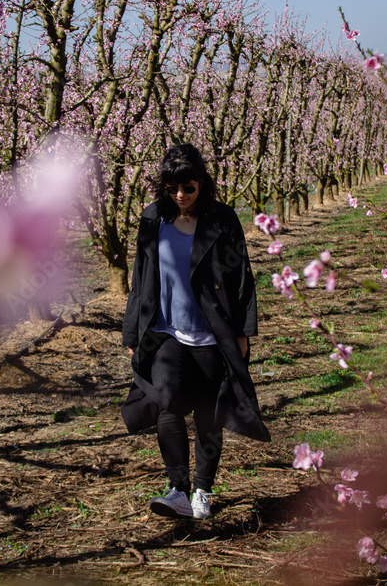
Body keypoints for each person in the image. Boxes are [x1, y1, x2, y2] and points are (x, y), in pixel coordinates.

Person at [121, 143, 270, 520]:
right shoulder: (153, 218)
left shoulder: (223, 220)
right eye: (172, 189)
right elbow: (140, 279)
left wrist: (242, 332)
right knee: (167, 401)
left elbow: (241, 278)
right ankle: (178, 489)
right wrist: (133, 332)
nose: (181, 196)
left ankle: (203, 489)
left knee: (208, 413)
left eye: (188, 187)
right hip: (165, 331)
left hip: (211, 333)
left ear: (202, 181)